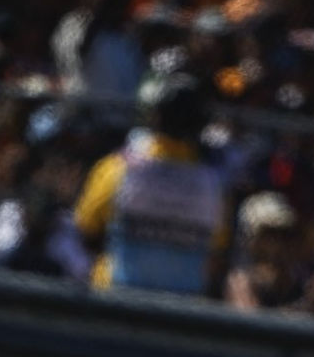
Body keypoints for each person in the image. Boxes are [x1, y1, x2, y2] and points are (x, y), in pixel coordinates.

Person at [73, 73, 226, 295]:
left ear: (155, 116)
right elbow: (217, 251)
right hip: (181, 312)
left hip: (116, 300)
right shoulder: (214, 185)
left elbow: (86, 226)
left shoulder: (119, 168)